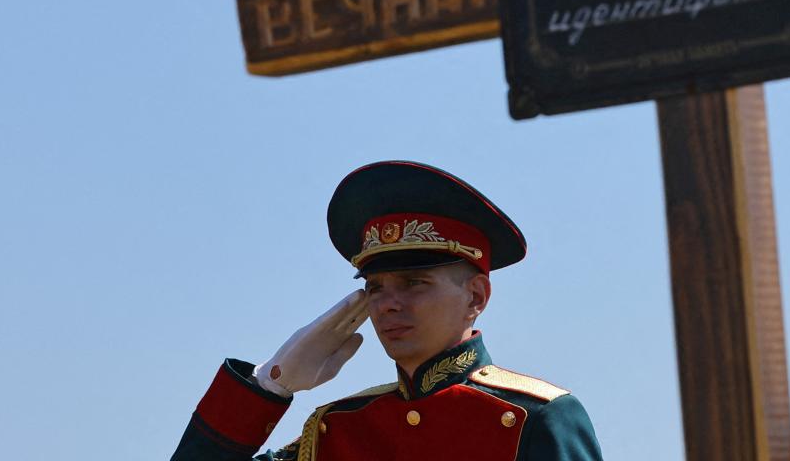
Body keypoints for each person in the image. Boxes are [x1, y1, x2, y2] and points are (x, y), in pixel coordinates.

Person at [173, 160, 604, 461]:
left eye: (415, 282)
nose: (389, 303)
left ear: (476, 297)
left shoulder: (535, 418)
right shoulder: (336, 431)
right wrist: (269, 386)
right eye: (375, 287)